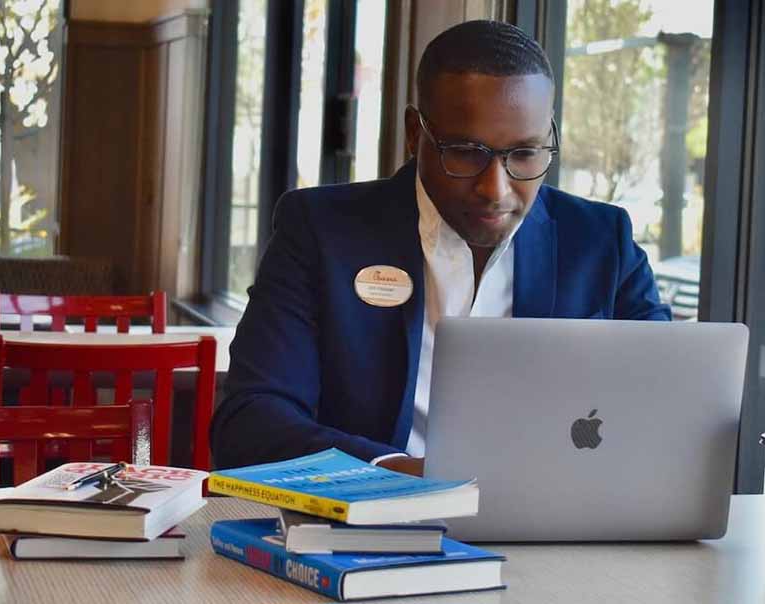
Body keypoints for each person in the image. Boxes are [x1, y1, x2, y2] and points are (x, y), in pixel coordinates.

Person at [210, 20, 671, 476]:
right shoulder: (321, 232)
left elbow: (671, 404)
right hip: (376, 528)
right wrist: (396, 473)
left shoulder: (600, 241)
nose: (497, 189)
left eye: (525, 154)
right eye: (467, 152)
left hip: (561, 528)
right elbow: (250, 423)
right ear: (415, 134)